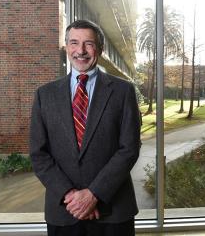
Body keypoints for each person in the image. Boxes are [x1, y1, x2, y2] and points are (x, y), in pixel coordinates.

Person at [30, 19, 141, 236]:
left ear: (100, 48)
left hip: (113, 211)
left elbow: (129, 149)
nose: (80, 51)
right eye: (74, 43)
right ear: (66, 47)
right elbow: (38, 154)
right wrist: (72, 196)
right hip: (64, 210)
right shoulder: (45, 95)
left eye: (88, 44)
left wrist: (93, 195)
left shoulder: (123, 91)